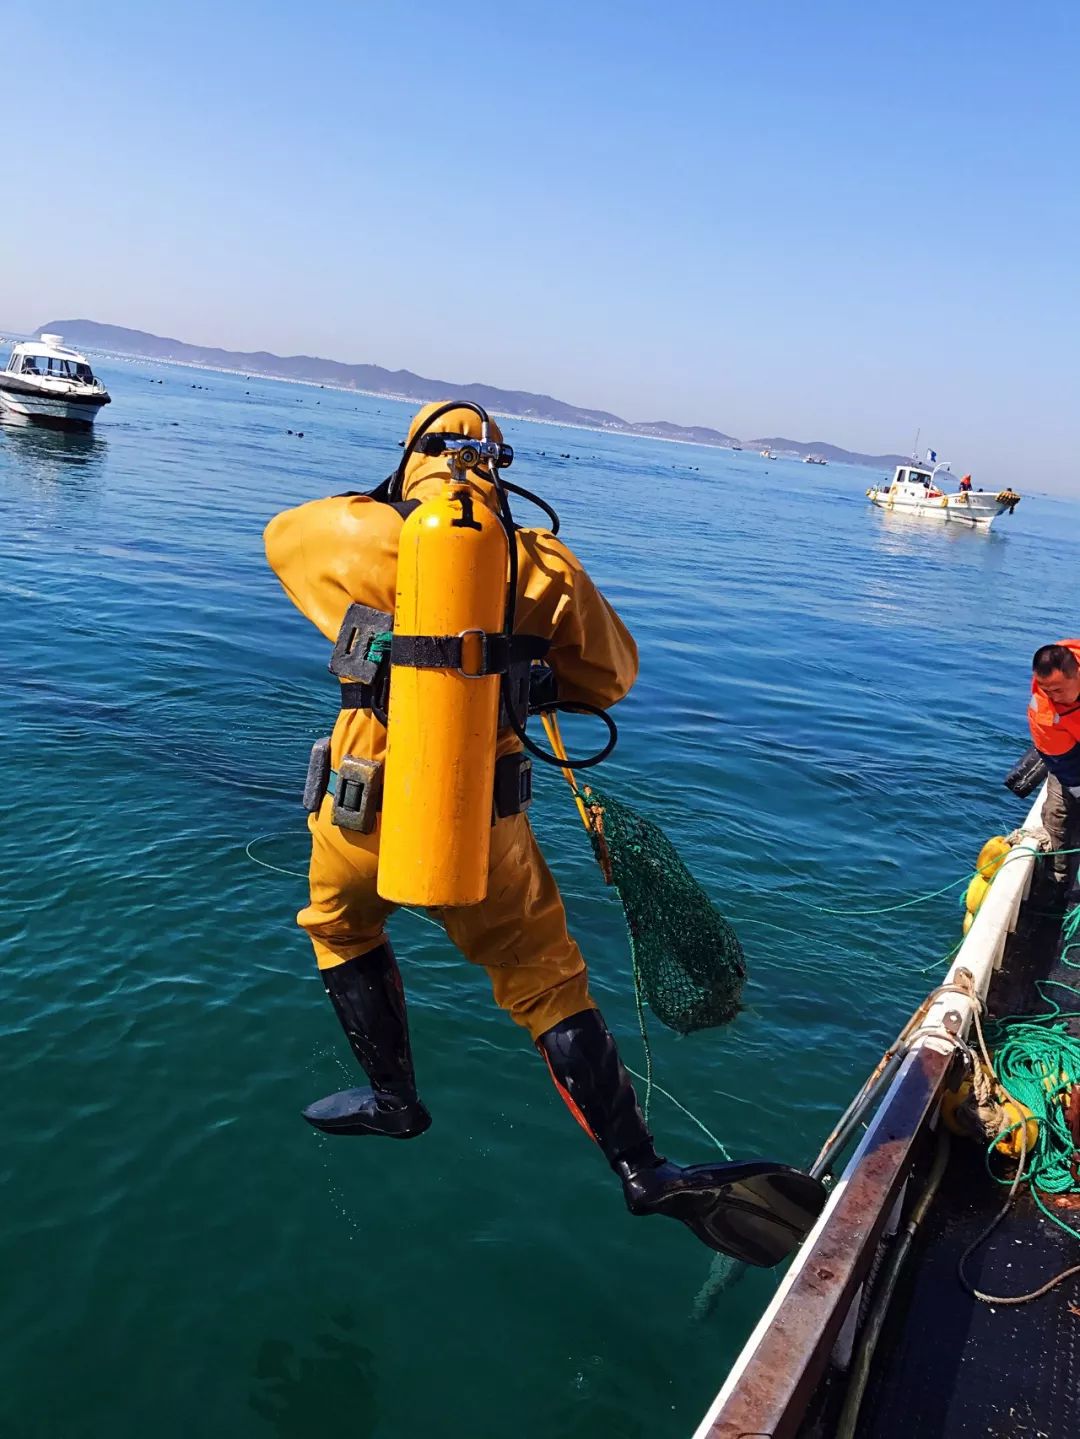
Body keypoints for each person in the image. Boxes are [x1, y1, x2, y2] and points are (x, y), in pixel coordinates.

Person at [264, 400, 823, 1262]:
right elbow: (613, 676)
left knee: (340, 929)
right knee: (547, 986)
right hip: (480, 828)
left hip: (357, 814)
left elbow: (280, 538)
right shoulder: (538, 564)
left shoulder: (344, 537)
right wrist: (521, 667)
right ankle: (642, 1170)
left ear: (412, 459)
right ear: (497, 467)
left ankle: (392, 1096)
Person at [1028, 642, 1080, 883]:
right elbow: (1064, 764)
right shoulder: (1046, 712)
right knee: (1058, 811)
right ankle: (1057, 878)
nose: (1052, 697)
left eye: (1058, 690)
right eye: (1045, 688)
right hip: (1063, 748)